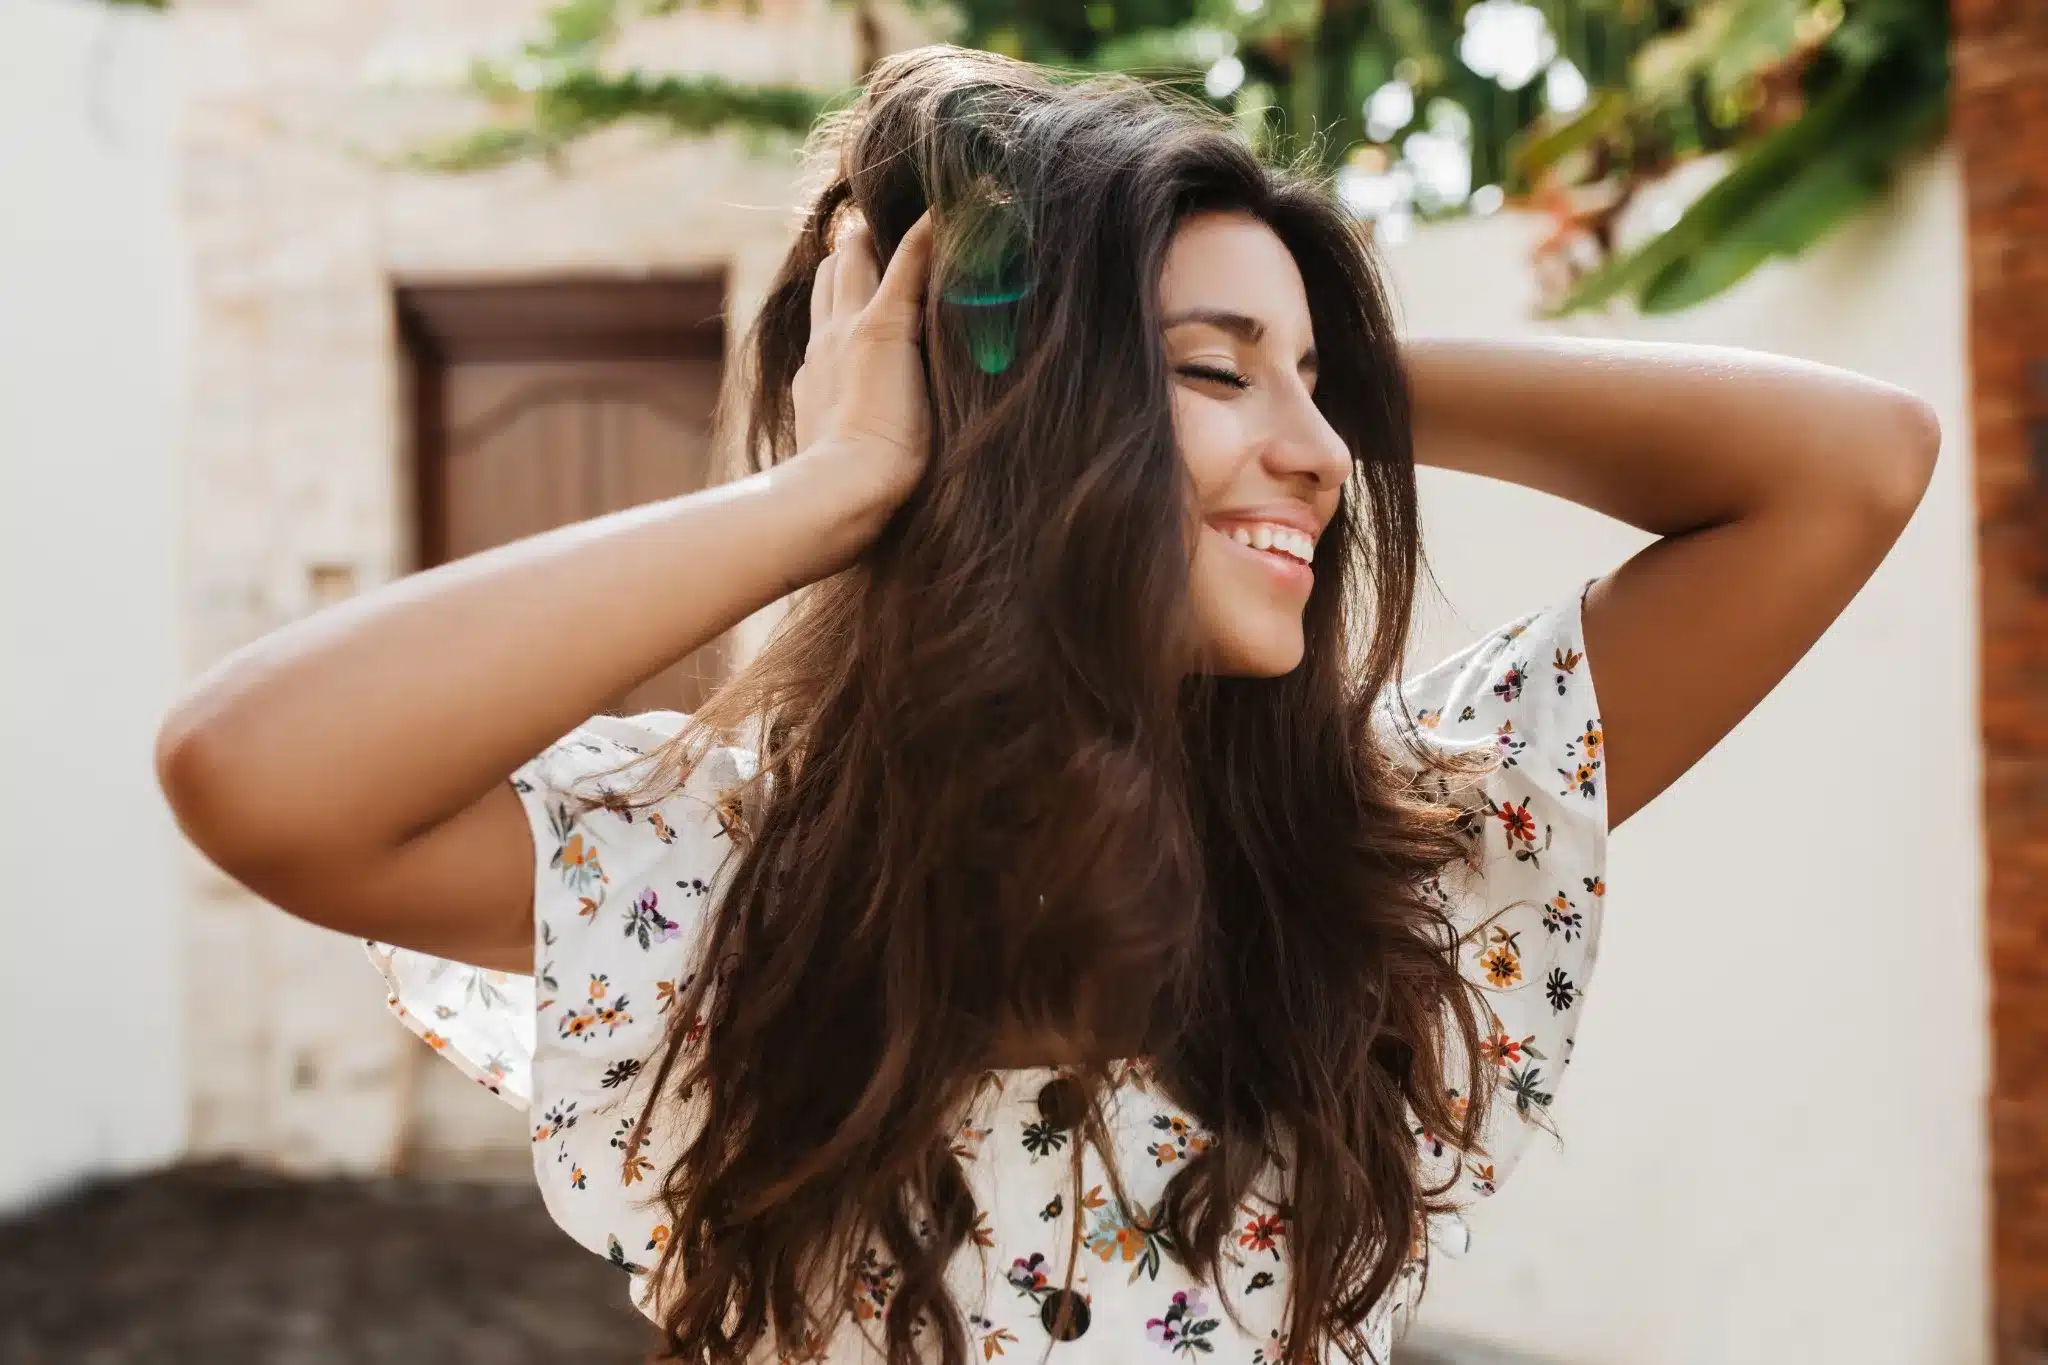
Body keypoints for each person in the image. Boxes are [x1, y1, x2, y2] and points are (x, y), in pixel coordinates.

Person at [155, 44, 1938, 1365]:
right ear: (1019, 419)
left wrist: (1315, 368)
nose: (1326, 456)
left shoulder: (1390, 839)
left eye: (1324, 388)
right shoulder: (736, 874)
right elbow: (254, 771)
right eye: (1214, 372)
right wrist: (836, 488)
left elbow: (1851, 464)